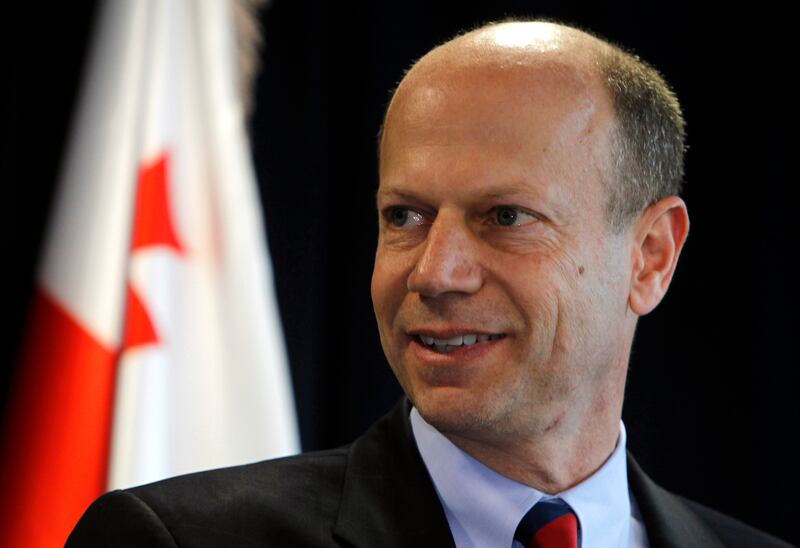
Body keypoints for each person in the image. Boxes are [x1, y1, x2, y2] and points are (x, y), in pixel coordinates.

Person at [67, 20, 792, 547]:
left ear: (650, 258)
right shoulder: (178, 542)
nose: (435, 272)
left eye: (506, 216)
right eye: (404, 216)